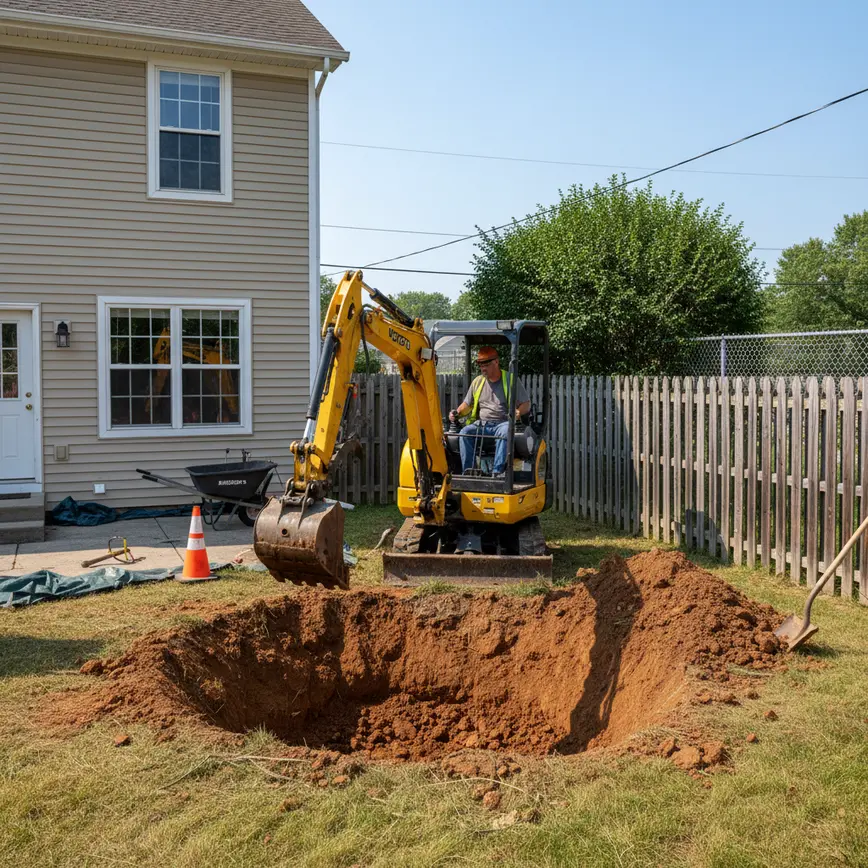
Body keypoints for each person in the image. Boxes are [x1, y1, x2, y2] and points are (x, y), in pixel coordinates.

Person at [449, 346, 531, 474]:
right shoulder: (477, 382)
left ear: (496, 362)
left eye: (486, 365)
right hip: (481, 425)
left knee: (505, 432)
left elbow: (526, 403)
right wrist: (457, 413)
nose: (483, 368)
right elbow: (467, 405)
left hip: (503, 423)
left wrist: (519, 412)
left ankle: (497, 472)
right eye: (481, 365)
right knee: (465, 433)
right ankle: (469, 472)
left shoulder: (510, 380)